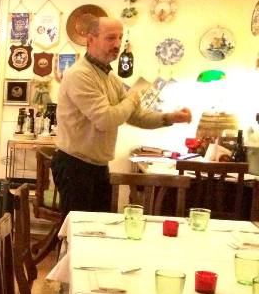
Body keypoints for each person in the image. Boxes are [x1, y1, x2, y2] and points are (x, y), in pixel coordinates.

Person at [52, 16, 192, 216]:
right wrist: (132, 99)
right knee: (78, 229)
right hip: (75, 167)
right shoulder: (79, 75)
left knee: (98, 227)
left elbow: (135, 116)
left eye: (120, 37)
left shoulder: (110, 78)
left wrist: (170, 118)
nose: (117, 44)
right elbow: (106, 120)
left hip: (96, 166)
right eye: (110, 38)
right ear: (90, 40)